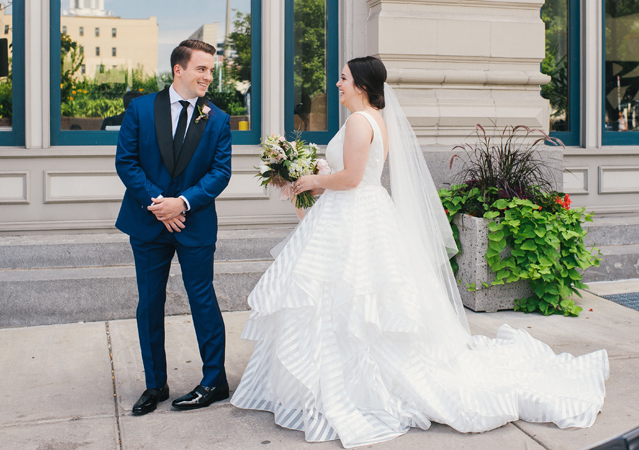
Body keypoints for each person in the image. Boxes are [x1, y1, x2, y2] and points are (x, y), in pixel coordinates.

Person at [231, 56, 609, 447]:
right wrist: (309, 182)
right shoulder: (371, 118)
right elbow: (349, 179)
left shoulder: (361, 122)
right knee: (342, 297)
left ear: (361, 85)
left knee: (350, 297)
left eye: (342, 78)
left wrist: (313, 177)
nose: (337, 84)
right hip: (353, 212)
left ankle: (347, 384)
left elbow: (353, 178)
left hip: (356, 213)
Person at [115, 39, 232, 416]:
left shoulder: (217, 118)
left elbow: (220, 173)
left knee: (203, 300)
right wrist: (158, 204)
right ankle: (155, 384)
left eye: (212, 70)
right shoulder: (140, 108)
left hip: (194, 222)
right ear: (178, 69)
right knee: (149, 303)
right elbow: (127, 162)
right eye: (202, 69)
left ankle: (214, 380)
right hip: (148, 223)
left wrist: (181, 203)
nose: (208, 77)